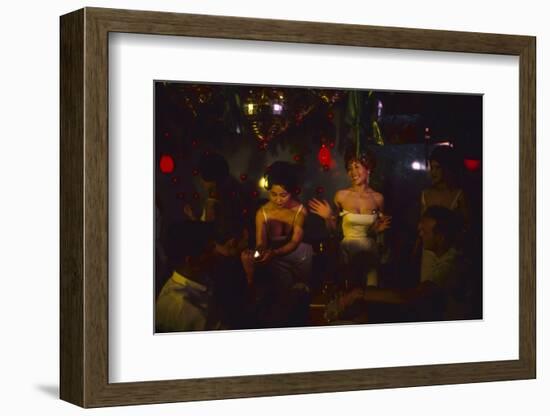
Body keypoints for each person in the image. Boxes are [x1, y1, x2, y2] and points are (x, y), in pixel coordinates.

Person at [337, 206, 469, 322]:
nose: (420, 235)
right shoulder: (440, 256)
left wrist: (360, 294)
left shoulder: (452, 263)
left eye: (424, 231)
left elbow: (410, 296)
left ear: (440, 237)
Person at [308, 149, 391, 288]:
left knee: (371, 291)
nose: (353, 173)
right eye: (349, 169)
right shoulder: (341, 196)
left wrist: (378, 231)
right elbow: (334, 232)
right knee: (349, 291)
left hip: (370, 252)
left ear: (368, 168)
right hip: (347, 251)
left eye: (356, 167)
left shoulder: (378, 198)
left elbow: (382, 232)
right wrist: (328, 218)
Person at [253, 161, 313, 326]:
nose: (278, 199)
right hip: (276, 261)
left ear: (292, 192)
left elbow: (295, 241)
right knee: (282, 300)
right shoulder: (262, 213)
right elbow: (260, 243)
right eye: (273, 194)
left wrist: (274, 253)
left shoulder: (300, 211)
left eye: (283, 195)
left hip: (300, 258)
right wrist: (259, 253)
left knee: (301, 296)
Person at [417, 145, 469, 281]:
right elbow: (422, 226)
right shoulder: (426, 194)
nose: (433, 172)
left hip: (450, 252)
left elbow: (465, 226)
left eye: (437, 167)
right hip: (428, 252)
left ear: (447, 169)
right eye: (431, 167)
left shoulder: (458, 194)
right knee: (426, 290)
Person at [155, 221, 217, 332]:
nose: (215, 253)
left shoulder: (199, 279)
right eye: (209, 250)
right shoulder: (183, 309)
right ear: (192, 261)